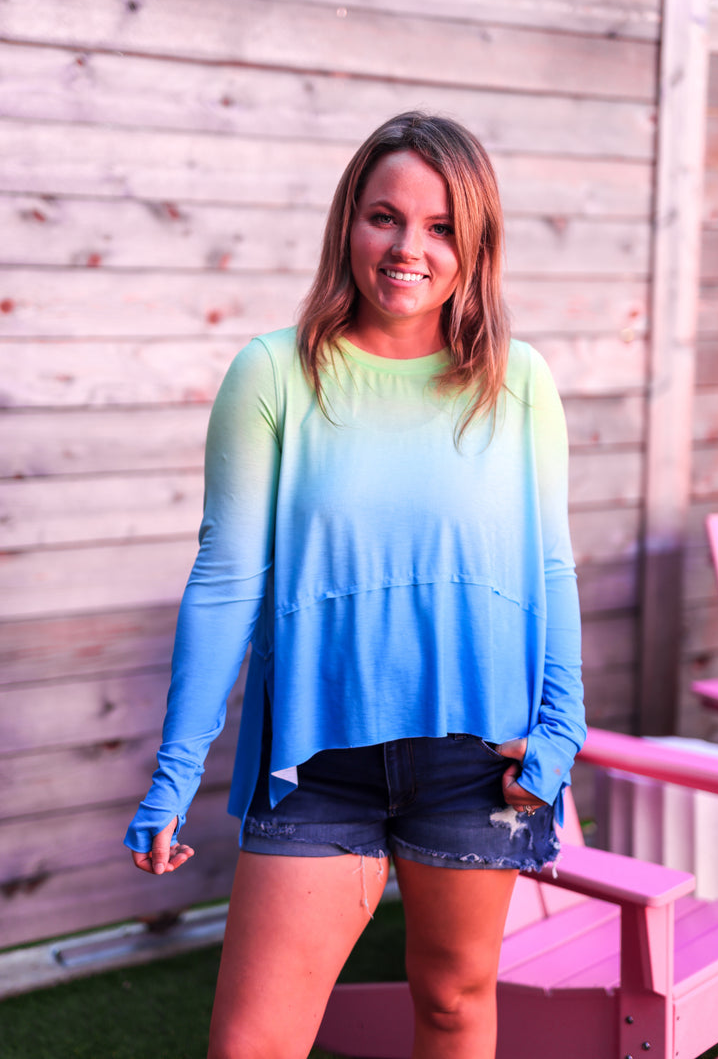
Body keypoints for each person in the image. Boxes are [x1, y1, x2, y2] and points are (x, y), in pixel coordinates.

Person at [125, 110, 586, 1059]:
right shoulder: (272, 374)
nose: (409, 247)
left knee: (454, 1006)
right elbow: (225, 578)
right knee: (251, 1043)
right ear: (348, 223)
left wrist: (560, 728)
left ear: (475, 244)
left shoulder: (521, 383)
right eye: (386, 216)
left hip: (476, 760)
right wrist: (174, 771)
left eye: (442, 226)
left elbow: (550, 567)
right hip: (315, 762)